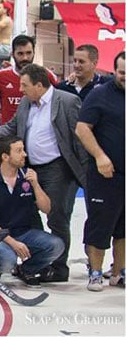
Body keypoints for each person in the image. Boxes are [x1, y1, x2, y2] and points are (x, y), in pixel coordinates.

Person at [0, 63, 87, 283]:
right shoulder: (26, 103)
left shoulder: (67, 101)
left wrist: (87, 172)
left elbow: (80, 138)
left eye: (24, 85)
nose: (21, 90)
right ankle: (35, 263)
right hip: (30, 166)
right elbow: (10, 127)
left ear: (40, 85)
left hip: (58, 167)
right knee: (30, 214)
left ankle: (59, 268)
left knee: (57, 217)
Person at [0, 136, 64, 287]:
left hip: (24, 232)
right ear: (5, 157)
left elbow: (47, 209)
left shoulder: (28, 177)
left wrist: (36, 185)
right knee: (7, 259)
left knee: (56, 245)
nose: (24, 154)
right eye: (19, 151)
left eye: (23, 149)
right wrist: (12, 242)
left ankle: (26, 270)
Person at [75, 51, 125, 291]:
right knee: (100, 225)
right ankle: (95, 272)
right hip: (105, 174)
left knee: (124, 228)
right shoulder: (99, 95)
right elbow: (82, 129)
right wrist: (100, 156)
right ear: (114, 70)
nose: (125, 77)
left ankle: (118, 272)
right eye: (122, 72)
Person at [0, 35, 59, 124]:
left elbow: (57, 101)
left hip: (37, 132)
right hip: (10, 134)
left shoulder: (47, 75)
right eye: (20, 53)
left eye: (28, 53)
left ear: (34, 53)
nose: (25, 58)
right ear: (12, 54)